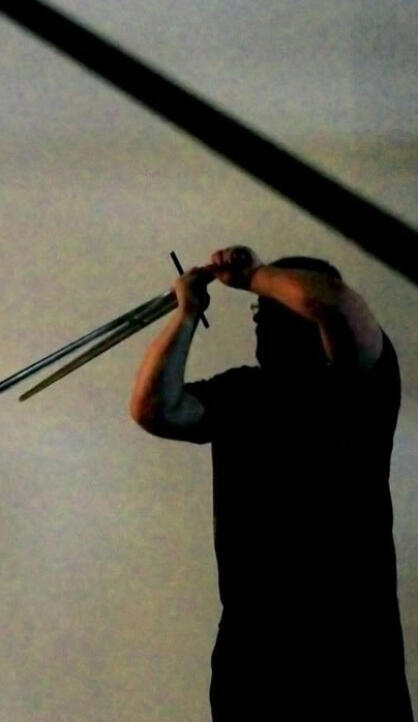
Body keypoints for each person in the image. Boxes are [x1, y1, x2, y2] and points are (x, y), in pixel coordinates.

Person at [129, 245, 413, 720]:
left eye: (276, 305)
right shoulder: (242, 393)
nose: (261, 319)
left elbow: (336, 304)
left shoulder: (359, 383)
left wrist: (255, 275)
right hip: (254, 651)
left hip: (352, 648)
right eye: (260, 311)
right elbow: (154, 408)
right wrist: (186, 315)